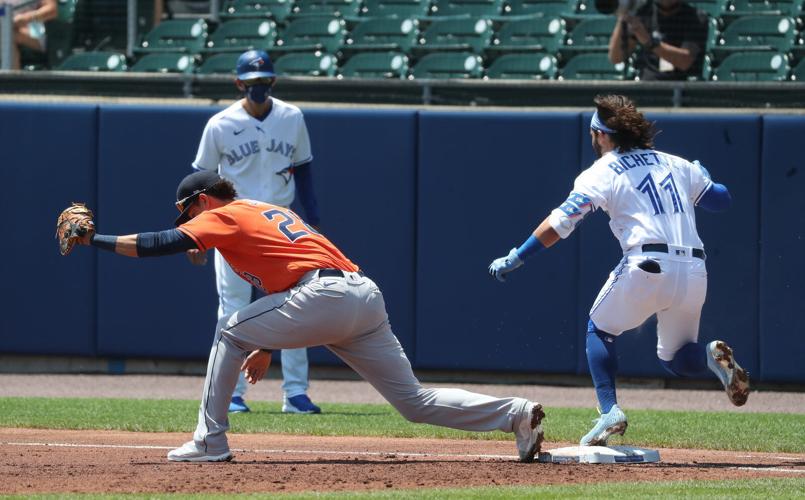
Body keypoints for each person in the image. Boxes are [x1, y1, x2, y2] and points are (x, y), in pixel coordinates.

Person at [73, 170, 546, 463]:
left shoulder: (224, 213)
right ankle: (516, 414)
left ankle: (210, 441)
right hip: (361, 295)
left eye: (188, 213)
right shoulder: (263, 210)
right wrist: (265, 344)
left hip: (326, 294)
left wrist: (94, 240)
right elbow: (289, 283)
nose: (190, 223)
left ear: (203, 200)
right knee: (414, 402)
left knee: (228, 331)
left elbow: (160, 244)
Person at [488, 94, 749, 447]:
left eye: (593, 134)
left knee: (600, 329)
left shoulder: (602, 170)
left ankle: (609, 411)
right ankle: (708, 356)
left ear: (602, 135)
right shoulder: (675, 162)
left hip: (646, 263)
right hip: (694, 270)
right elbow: (721, 200)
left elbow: (560, 223)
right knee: (676, 357)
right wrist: (706, 178)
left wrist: (518, 255)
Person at [190, 49, 321, 414]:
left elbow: (304, 171)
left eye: (263, 81)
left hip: (282, 226)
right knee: (233, 309)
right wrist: (195, 231)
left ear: (273, 81)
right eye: (251, 82)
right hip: (234, 226)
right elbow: (200, 182)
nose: (258, 87)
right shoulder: (219, 124)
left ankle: (295, 393)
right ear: (238, 83)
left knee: (297, 306)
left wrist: (314, 221)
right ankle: (230, 393)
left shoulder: (292, 117)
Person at [608, 0, 708, 81]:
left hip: (681, 88)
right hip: (647, 85)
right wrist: (623, 16)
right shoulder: (645, 13)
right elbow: (616, 58)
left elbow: (685, 62)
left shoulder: (695, 18)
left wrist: (649, 42)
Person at [11, 0, 57, 70]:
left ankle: (12, 76)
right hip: (8, 27)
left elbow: (52, 10)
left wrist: (26, 18)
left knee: (8, 36)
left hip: (35, 32)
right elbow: (2, 11)